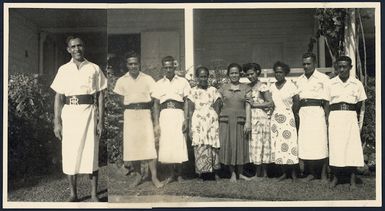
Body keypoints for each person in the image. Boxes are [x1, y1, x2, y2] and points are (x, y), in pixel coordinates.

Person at [51, 35, 107, 202]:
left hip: (89, 113)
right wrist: (57, 122)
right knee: (69, 153)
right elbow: (58, 97)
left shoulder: (94, 68)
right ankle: (73, 194)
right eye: (73, 47)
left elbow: (101, 96)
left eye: (80, 46)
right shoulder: (63, 69)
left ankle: (93, 194)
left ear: (84, 47)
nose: (77, 49)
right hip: (69, 114)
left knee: (91, 152)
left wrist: (101, 121)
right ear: (68, 49)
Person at [113, 52, 163, 188]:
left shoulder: (148, 79)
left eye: (135, 63)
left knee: (150, 146)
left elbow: (155, 99)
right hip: (129, 115)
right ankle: (139, 176)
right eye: (130, 64)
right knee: (132, 147)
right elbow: (120, 100)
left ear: (139, 64)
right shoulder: (122, 80)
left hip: (145, 113)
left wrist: (153, 117)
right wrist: (131, 107)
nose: (133, 66)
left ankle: (154, 177)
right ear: (127, 65)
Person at [327, 56, 367, 188]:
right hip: (335, 117)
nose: (342, 69)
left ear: (350, 67)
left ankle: (352, 179)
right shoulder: (331, 83)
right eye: (340, 67)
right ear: (336, 67)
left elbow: (360, 105)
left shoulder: (357, 84)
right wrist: (328, 119)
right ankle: (336, 178)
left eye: (345, 67)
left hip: (350, 117)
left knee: (352, 148)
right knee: (336, 148)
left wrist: (357, 120)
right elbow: (327, 103)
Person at [152, 56, 191, 184]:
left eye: (170, 67)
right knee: (167, 144)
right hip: (165, 115)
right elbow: (156, 104)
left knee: (179, 143)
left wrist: (186, 119)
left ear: (174, 67)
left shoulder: (183, 82)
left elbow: (186, 102)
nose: (168, 69)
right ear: (163, 68)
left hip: (178, 114)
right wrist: (157, 123)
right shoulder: (158, 84)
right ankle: (170, 174)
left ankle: (179, 174)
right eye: (166, 67)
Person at [296, 52, 330, 182]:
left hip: (317, 112)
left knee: (320, 143)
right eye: (304, 64)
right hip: (304, 113)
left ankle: (323, 174)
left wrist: (327, 117)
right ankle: (310, 173)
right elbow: (298, 100)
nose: (306, 66)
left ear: (314, 63)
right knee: (306, 144)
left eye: (308, 63)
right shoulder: (299, 79)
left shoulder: (323, 78)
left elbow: (326, 100)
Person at [218, 63, 251, 182]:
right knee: (229, 146)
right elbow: (217, 105)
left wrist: (248, 122)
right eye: (232, 73)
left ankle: (241, 173)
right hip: (226, 121)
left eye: (236, 73)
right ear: (228, 74)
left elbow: (248, 106)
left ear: (240, 74)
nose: (234, 75)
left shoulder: (246, 88)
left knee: (241, 146)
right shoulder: (222, 88)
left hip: (240, 121)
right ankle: (232, 173)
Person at [187, 66, 221, 180]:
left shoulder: (213, 90)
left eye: (205, 76)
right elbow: (191, 109)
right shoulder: (192, 91)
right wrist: (191, 125)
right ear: (197, 77)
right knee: (200, 144)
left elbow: (218, 105)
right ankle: (201, 173)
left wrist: (213, 116)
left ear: (208, 77)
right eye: (201, 76)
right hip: (198, 121)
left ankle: (215, 172)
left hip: (211, 120)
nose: (203, 78)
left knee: (212, 145)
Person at [270, 61, 300, 182]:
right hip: (276, 118)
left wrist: (292, 113)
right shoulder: (272, 87)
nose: (278, 74)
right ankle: (283, 173)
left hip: (288, 117)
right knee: (278, 145)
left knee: (290, 145)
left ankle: (293, 173)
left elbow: (297, 101)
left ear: (285, 73)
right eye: (276, 72)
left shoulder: (291, 85)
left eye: (280, 72)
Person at [243, 63, 274, 179]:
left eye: (252, 74)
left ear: (257, 72)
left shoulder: (262, 86)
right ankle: (257, 173)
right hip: (252, 118)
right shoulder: (247, 87)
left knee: (263, 145)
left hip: (261, 118)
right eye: (248, 75)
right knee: (255, 145)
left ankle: (264, 173)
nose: (250, 76)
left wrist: (255, 104)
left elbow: (270, 103)